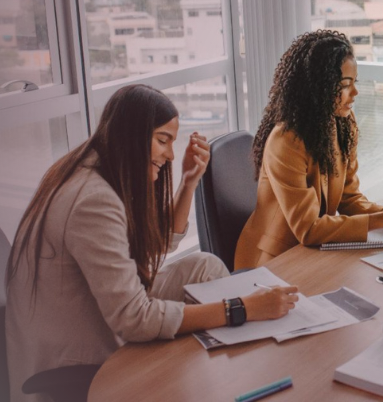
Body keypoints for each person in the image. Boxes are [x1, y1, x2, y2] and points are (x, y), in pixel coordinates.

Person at [5, 85, 299, 402]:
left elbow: (153, 246)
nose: (171, 154)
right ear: (132, 135)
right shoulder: (92, 201)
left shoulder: (93, 166)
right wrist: (242, 308)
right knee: (224, 301)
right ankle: (232, 376)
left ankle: (233, 367)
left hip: (96, 315)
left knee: (206, 265)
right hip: (78, 365)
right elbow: (134, 319)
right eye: (162, 140)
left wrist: (188, 181)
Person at [234, 29, 383, 269]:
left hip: (315, 251)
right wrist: (382, 219)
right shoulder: (286, 140)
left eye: (355, 82)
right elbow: (308, 228)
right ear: (318, 88)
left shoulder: (342, 123)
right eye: (345, 85)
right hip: (274, 260)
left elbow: (348, 198)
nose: (354, 93)